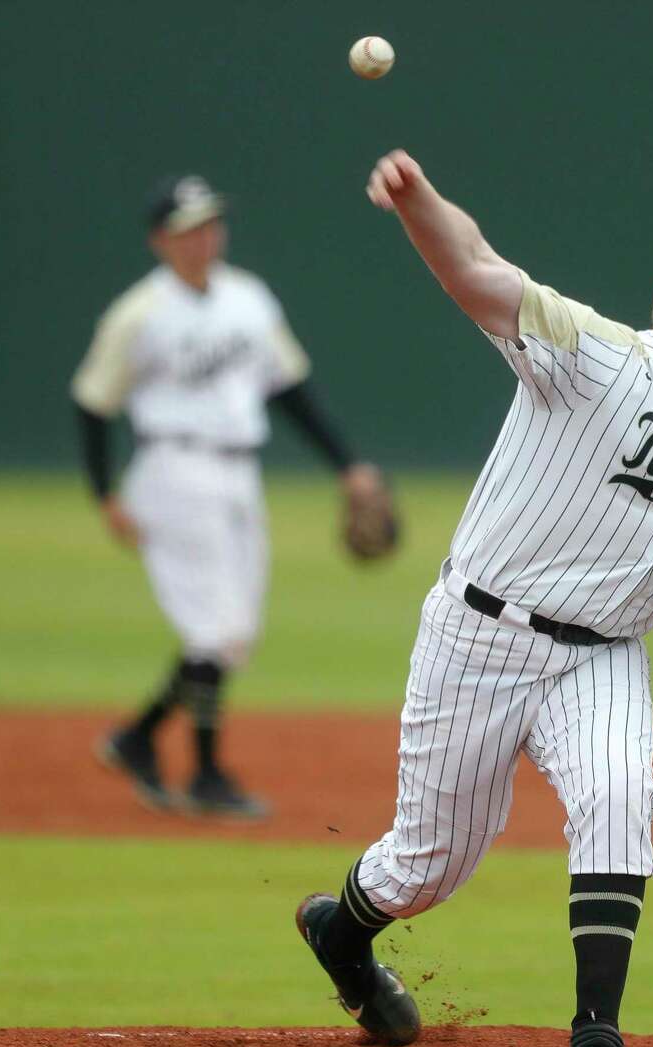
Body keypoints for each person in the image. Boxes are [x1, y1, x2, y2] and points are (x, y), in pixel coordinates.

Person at [295, 150, 653, 1047]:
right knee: (429, 861)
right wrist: (417, 201)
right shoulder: (600, 354)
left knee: (619, 794)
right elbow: (476, 269)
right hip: (478, 637)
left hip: (602, 656)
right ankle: (343, 931)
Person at [72, 174, 395, 820]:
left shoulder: (248, 299)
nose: (205, 237)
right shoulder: (139, 314)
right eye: (190, 228)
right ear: (162, 240)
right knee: (215, 631)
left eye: (212, 223)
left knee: (232, 634)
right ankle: (207, 774)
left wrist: (347, 465)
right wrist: (106, 494)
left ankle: (137, 738)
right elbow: (93, 401)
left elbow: (290, 390)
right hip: (172, 470)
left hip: (237, 472)